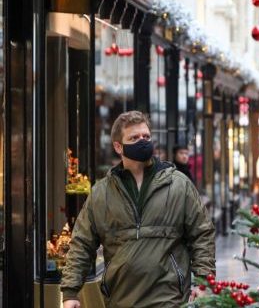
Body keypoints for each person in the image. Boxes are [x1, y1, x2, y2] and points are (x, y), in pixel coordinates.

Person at [61, 111, 215, 308]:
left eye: (146, 137)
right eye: (134, 138)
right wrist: (70, 292)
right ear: (118, 146)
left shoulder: (178, 185)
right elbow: (82, 243)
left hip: (169, 299)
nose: (143, 142)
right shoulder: (102, 193)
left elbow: (202, 233)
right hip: (121, 299)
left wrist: (204, 282)